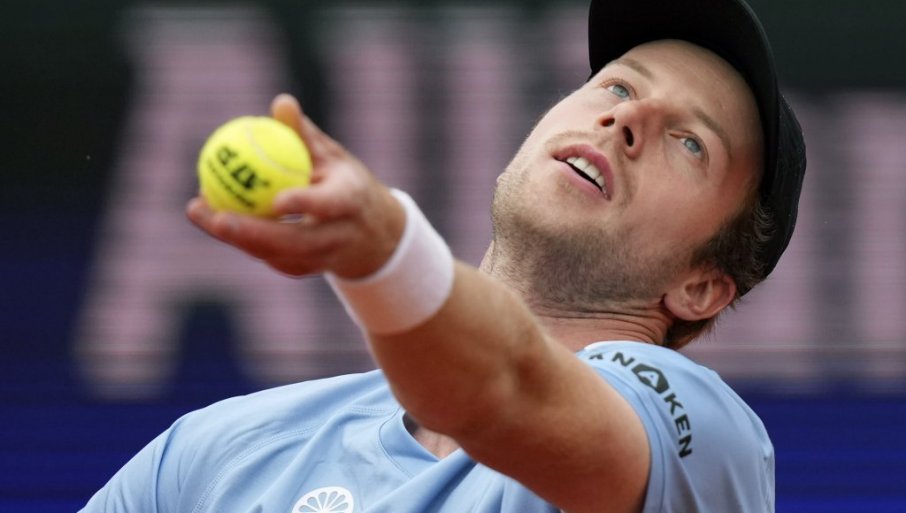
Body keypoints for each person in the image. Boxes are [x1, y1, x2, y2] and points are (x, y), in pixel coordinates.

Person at [80, 0, 806, 511]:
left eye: (690, 142)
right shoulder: (216, 454)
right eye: (617, 84)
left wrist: (384, 253)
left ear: (702, 286)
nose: (626, 117)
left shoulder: (707, 446)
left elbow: (504, 390)